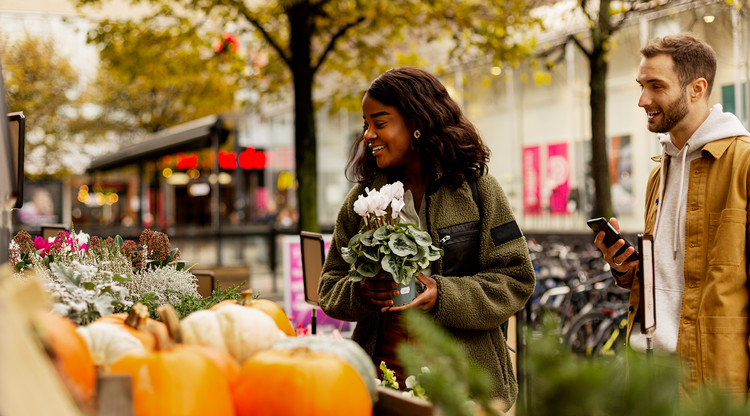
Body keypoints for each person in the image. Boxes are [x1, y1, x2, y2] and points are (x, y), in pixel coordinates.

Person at [317, 66, 536, 406]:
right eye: (366, 125)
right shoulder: (363, 201)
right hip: (382, 382)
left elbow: (515, 278)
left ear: (417, 123)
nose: (368, 135)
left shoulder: (478, 190)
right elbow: (329, 286)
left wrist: (443, 295)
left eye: (380, 122)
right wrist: (362, 291)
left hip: (465, 387)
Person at [594, 33, 750, 397]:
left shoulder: (742, 164)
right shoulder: (657, 174)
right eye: (641, 85)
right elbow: (670, 277)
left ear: (697, 88)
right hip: (647, 375)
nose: (643, 100)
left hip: (711, 385)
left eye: (656, 86)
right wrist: (627, 270)